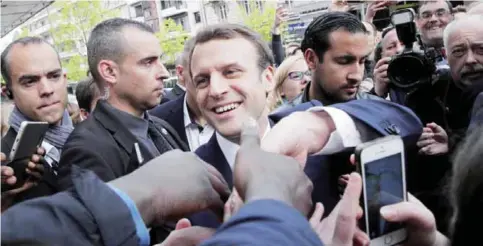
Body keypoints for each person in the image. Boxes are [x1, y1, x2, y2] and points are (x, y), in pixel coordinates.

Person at [187, 23, 422, 229]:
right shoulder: (187, 182)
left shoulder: (312, 127)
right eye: (202, 80)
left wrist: (314, 127)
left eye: (231, 72)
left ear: (268, 78)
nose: (216, 90)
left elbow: (407, 124)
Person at [58, 18, 189, 190]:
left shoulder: (160, 127)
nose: (163, 72)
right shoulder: (86, 150)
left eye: (160, 60)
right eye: (148, 62)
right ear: (110, 72)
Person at [0, 36, 72, 205]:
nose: (47, 90)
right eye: (30, 82)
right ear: (8, 92)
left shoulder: (94, 135)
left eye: (54, 76)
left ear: (64, 78)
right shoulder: (5, 165)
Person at [150, 38, 214, 151]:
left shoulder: (248, 118)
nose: (216, 87)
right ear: (180, 73)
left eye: (228, 73)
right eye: (203, 78)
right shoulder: (155, 121)